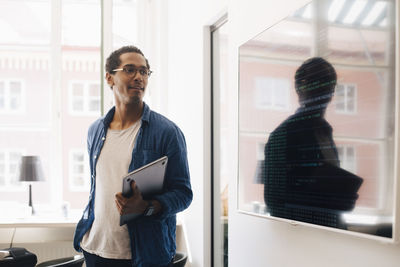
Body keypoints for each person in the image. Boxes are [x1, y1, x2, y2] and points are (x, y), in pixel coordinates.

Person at [73, 45, 193, 267]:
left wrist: (147, 206)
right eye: (129, 70)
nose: (139, 77)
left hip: (143, 256)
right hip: (94, 250)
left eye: (144, 71)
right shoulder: (95, 130)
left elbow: (184, 194)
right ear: (109, 78)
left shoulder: (167, 132)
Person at [263, 57, 362, 228]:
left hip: (331, 232)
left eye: (329, 84)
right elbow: (275, 202)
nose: (324, 90)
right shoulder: (283, 135)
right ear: (299, 87)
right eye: (316, 82)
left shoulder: (325, 131)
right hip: (304, 239)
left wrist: (342, 198)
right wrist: (330, 200)